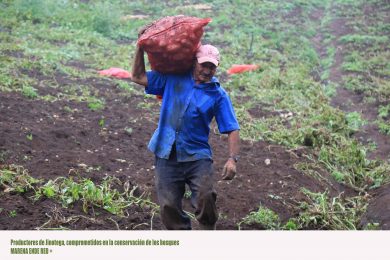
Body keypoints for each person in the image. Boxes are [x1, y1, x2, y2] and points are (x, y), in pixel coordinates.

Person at [130, 36, 240, 230]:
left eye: (211, 67)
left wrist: (232, 159)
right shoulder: (173, 79)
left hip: (197, 155)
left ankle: (207, 230)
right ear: (193, 62)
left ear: (217, 68)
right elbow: (138, 77)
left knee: (206, 197)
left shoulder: (218, 95)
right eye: (203, 65)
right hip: (166, 151)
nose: (206, 70)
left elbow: (232, 128)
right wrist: (140, 47)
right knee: (168, 206)